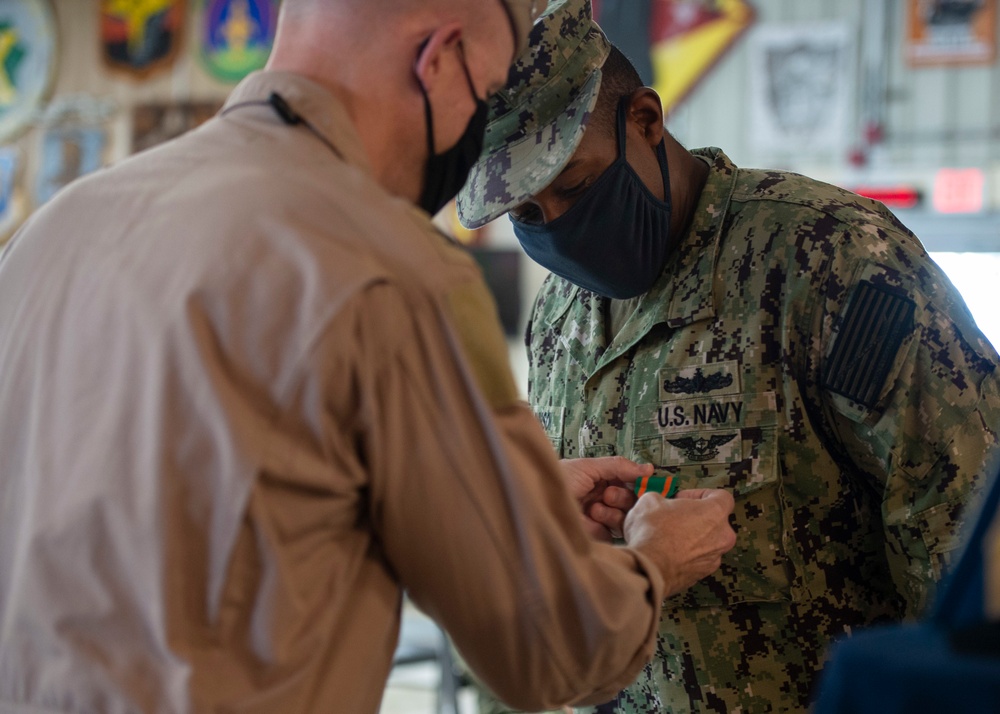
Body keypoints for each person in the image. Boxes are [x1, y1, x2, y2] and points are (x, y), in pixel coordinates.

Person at [0, 1, 739, 713]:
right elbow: (548, 645)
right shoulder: (387, 266)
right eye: (484, 99)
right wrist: (655, 561)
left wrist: (505, 487)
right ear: (441, 58)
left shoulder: (56, 232)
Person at [455, 0, 1000, 711]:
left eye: (577, 185)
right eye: (526, 213)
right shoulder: (559, 316)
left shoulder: (827, 258)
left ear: (645, 121)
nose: (559, 228)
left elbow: (961, 544)